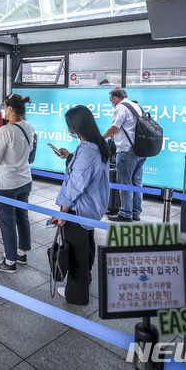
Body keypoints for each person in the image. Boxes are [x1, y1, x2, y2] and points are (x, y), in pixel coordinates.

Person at [53, 105, 110, 305]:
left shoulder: (87, 150)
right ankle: (85, 280)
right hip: (92, 209)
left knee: (76, 252)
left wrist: (63, 211)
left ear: (76, 127)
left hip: (79, 209)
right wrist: (69, 157)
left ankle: (77, 295)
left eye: (70, 126)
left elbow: (77, 184)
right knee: (85, 246)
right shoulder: (98, 143)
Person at [0, 94, 35, 273]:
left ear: (10, 109)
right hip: (24, 179)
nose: (2, 109)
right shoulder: (28, 126)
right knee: (22, 216)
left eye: (4, 106)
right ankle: (22, 252)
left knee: (7, 222)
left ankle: (9, 261)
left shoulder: (5, 131)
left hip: (6, 182)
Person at [102, 87, 146, 222]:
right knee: (137, 183)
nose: (112, 104)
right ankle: (135, 212)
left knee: (125, 183)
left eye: (111, 101)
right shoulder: (136, 106)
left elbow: (115, 128)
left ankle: (125, 214)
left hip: (127, 152)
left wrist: (102, 137)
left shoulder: (121, 107)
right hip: (140, 150)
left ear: (115, 98)